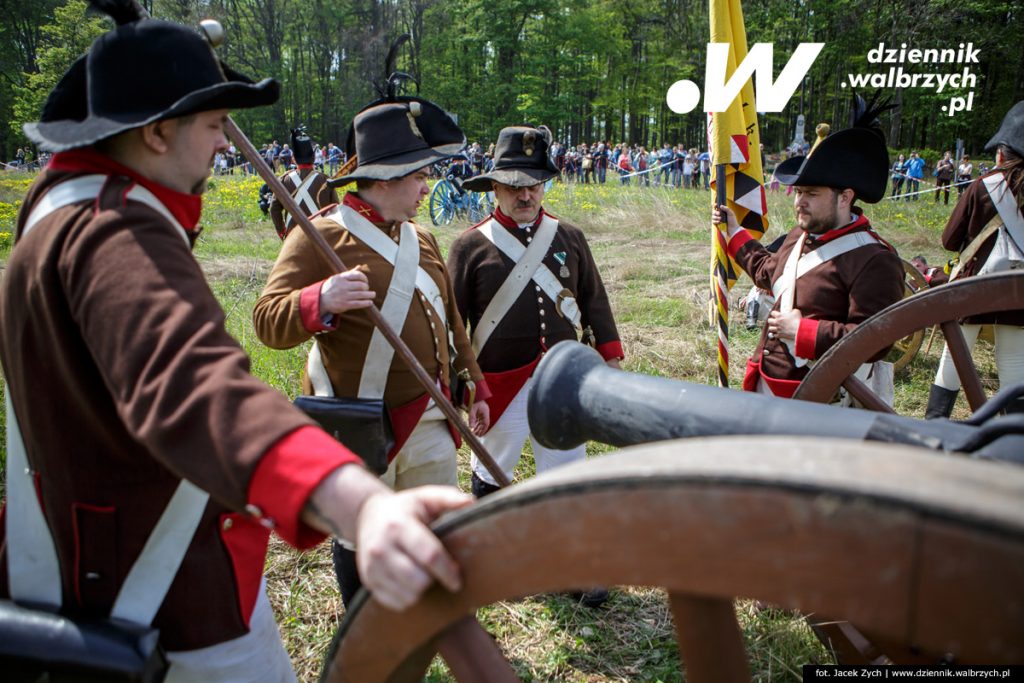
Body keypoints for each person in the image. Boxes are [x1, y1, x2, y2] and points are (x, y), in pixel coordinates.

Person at [0, 7, 471, 682]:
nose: (225, 145)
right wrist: (355, 501)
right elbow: (190, 381)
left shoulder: (62, 209)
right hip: (169, 581)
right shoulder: (113, 231)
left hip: (107, 548)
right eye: (215, 125)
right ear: (159, 132)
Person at [252, 95, 491, 608]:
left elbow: (452, 324)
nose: (428, 186)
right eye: (418, 176)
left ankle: (422, 625)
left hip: (433, 413)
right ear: (384, 179)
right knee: (362, 535)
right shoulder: (316, 235)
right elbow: (267, 321)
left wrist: (475, 385)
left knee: (432, 528)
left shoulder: (423, 238)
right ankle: (366, 634)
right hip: (361, 417)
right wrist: (322, 299)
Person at [448, 124, 623, 606]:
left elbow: (594, 301)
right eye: (513, 185)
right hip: (498, 383)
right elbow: (452, 323)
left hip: (562, 378)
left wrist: (609, 355)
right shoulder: (470, 246)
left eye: (533, 184)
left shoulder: (569, 235)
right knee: (491, 469)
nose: (525, 194)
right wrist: (464, 386)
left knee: (566, 472)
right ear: (495, 188)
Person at [713, 97, 905, 399]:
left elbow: (875, 340)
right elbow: (767, 272)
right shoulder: (800, 235)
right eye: (798, 191)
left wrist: (803, 333)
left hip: (820, 401)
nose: (799, 201)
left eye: (811, 193)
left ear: (845, 197)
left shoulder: (876, 259)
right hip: (768, 383)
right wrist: (734, 230)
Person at [925, 100, 1024, 418]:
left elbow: (949, 240)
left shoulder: (984, 186)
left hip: (975, 286)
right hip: (1018, 290)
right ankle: (1014, 440)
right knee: (1014, 365)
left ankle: (936, 424)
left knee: (954, 360)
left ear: (1001, 152)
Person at [269, 126, 338, 240]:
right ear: (314, 158)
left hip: (293, 238)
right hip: (323, 237)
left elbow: (274, 209)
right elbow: (335, 209)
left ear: (293, 159)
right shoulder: (325, 180)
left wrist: (282, 232)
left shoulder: (284, 180)